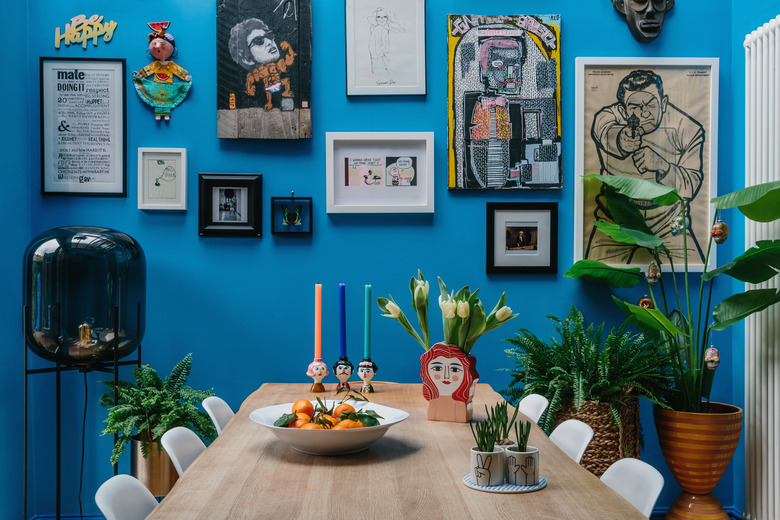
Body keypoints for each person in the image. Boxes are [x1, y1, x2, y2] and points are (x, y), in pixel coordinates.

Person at [587, 69, 705, 263]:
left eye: (651, 104)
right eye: (634, 106)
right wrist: (621, 140)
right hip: (615, 216)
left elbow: (691, 184)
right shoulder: (608, 116)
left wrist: (662, 166)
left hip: (668, 220)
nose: (644, 113)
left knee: (690, 268)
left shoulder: (688, 129)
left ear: (664, 103)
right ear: (623, 109)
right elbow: (604, 129)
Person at [228, 17, 295, 110]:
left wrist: (289, 48)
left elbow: (289, 60)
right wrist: (249, 87)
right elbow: (251, 80)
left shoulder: (280, 64)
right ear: (246, 58)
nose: (269, 42)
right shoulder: (256, 73)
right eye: (258, 41)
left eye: (269, 36)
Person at [133, 22, 192, 120]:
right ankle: (158, 113)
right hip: (157, 85)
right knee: (157, 98)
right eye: (154, 43)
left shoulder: (171, 65)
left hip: (168, 86)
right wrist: (141, 74)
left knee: (167, 99)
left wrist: (184, 76)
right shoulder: (156, 65)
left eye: (161, 44)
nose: (157, 46)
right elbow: (149, 69)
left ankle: (166, 113)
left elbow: (178, 70)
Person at [420, 344, 478, 422]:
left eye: (454, 370)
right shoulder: (433, 404)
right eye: (437, 368)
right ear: (426, 372)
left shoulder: (459, 406)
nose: (446, 376)